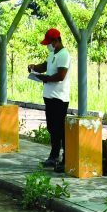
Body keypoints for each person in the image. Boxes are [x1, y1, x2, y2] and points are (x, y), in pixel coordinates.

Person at [27, 28, 71, 172]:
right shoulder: (52, 53)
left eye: (49, 43)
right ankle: (54, 156)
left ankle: (65, 158)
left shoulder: (64, 55)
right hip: (49, 97)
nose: (48, 46)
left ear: (56, 41)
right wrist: (34, 67)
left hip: (59, 98)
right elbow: (44, 66)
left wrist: (46, 79)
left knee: (60, 129)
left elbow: (61, 75)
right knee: (52, 128)